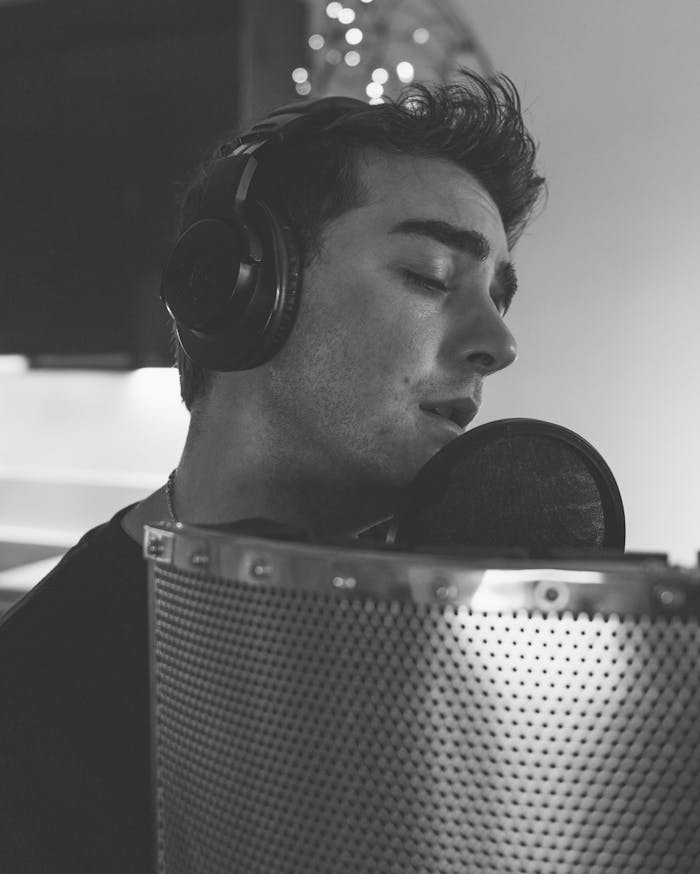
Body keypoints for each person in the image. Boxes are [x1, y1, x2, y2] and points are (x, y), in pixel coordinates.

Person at [0, 70, 545, 873]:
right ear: (241, 290)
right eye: (431, 275)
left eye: (498, 298)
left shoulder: (463, 641)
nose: (497, 344)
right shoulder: (39, 697)